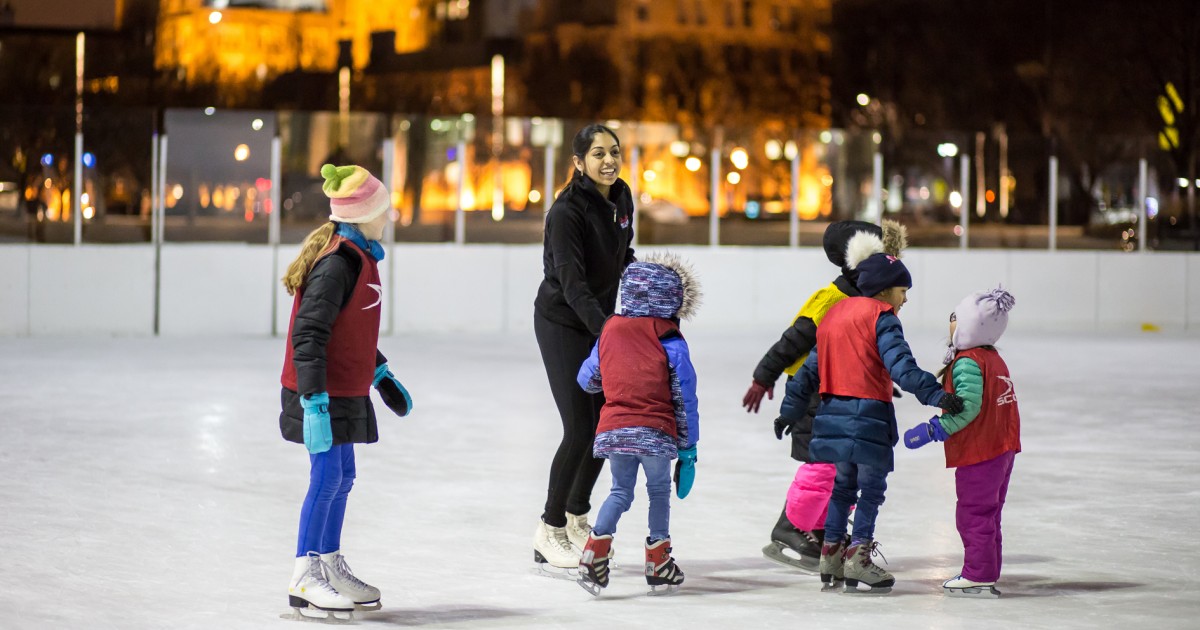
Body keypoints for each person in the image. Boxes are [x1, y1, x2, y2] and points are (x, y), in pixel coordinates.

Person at [778, 235, 964, 594]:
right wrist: (939, 396)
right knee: (871, 491)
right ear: (883, 291)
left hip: (831, 417)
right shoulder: (883, 319)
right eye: (901, 290)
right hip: (868, 420)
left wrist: (788, 413)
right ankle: (858, 559)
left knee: (842, 489)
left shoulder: (833, 316)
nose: (906, 298)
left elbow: (807, 373)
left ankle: (830, 556)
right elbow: (903, 369)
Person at [279, 164, 413, 620]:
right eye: (384, 209)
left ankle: (330, 564)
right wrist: (313, 401)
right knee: (327, 478)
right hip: (320, 391)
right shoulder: (338, 262)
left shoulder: (361, 256)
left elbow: (351, 331)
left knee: (344, 477)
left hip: (344, 388)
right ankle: (305, 572)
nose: (389, 216)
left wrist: (380, 375)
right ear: (362, 215)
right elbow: (309, 333)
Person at [748, 220, 905, 571]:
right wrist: (764, 377)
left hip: (844, 390)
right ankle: (791, 528)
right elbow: (793, 341)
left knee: (844, 466)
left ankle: (818, 528)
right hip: (814, 393)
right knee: (823, 466)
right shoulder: (832, 300)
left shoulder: (868, 301)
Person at [532, 124, 636, 575]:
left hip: (601, 323)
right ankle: (548, 530)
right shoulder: (566, 212)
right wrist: (607, 330)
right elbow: (572, 283)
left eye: (614, 151)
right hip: (562, 323)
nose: (608, 160)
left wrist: (643, 287)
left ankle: (576, 516)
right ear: (578, 162)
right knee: (579, 427)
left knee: (602, 428)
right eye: (598, 153)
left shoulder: (622, 197)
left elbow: (621, 254)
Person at [575, 254, 701, 595]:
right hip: (656, 433)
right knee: (658, 490)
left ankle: (593, 553)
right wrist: (688, 449)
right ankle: (658, 560)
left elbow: (587, 380)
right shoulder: (671, 341)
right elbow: (684, 398)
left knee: (620, 491)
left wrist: (619, 373)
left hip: (615, 429)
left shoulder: (610, 331)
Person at [904, 287, 1020, 598]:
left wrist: (933, 430)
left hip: (980, 451)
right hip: (1001, 448)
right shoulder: (993, 358)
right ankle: (987, 571)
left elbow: (967, 408)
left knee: (974, 514)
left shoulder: (968, 362)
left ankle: (978, 575)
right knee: (989, 513)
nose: (950, 323)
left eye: (955, 319)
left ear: (971, 327)